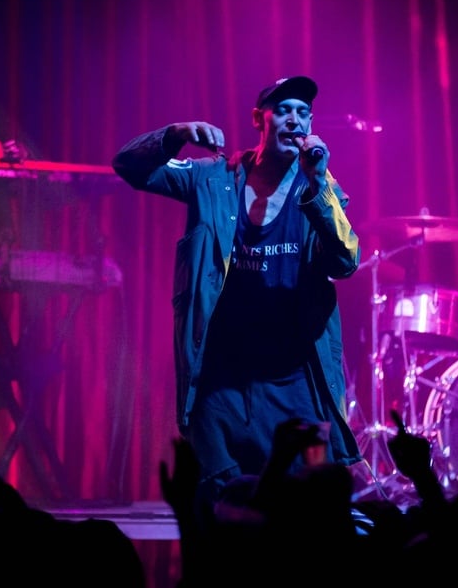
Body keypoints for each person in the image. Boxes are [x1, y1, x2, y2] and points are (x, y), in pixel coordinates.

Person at [113, 75, 365, 521]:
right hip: (222, 379)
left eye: (303, 113)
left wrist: (318, 185)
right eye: (283, 110)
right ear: (259, 119)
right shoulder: (212, 179)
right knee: (225, 511)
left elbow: (346, 261)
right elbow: (129, 167)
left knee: (304, 515)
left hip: (293, 380)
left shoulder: (320, 187)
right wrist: (175, 135)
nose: (294, 120)